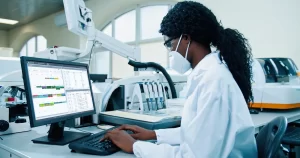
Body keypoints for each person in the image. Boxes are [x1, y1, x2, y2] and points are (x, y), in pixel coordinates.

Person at [102, 1, 258, 157]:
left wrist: (135, 146)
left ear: (185, 38)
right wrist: (153, 134)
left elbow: (194, 155)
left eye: (170, 44)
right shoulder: (210, 73)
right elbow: (196, 133)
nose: (170, 51)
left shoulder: (213, 81)